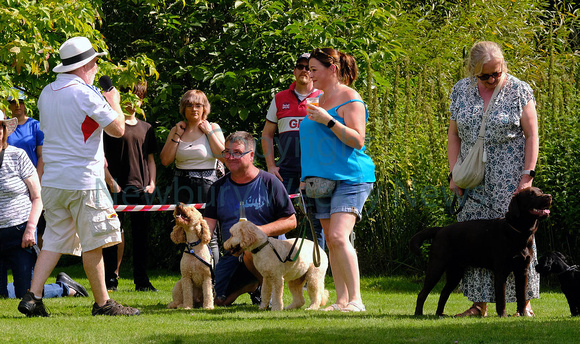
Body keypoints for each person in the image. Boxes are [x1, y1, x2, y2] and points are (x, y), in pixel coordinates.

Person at [18, 36, 140, 317]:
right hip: (84, 180)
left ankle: (33, 297)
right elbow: (118, 129)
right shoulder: (87, 93)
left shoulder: (47, 92)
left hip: (52, 180)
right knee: (94, 241)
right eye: (95, 61)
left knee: (53, 241)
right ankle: (103, 304)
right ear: (86, 64)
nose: (97, 65)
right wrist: (115, 103)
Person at [448, 41, 539, 317]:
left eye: (496, 73)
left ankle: (523, 304)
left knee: (516, 242)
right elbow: (453, 135)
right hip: (473, 179)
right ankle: (479, 305)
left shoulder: (519, 90)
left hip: (510, 179)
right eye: (484, 75)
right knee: (476, 240)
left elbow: (532, 135)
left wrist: (527, 177)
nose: (491, 79)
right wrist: (454, 174)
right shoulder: (461, 90)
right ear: (472, 71)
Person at [300, 48, 375, 312]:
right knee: (331, 241)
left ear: (332, 69)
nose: (309, 74)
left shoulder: (350, 97)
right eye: (308, 69)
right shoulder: (317, 99)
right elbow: (313, 144)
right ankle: (341, 301)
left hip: (351, 177)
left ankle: (356, 301)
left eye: (314, 69)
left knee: (339, 236)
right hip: (319, 181)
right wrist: (304, 178)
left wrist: (329, 120)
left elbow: (357, 139)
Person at [204, 131, 296, 306]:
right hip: (233, 254)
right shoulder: (217, 187)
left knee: (250, 250)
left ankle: (268, 295)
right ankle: (252, 286)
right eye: (227, 152)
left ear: (251, 155)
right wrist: (195, 244)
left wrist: (256, 233)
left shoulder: (271, 182)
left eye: (237, 153)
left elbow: (291, 221)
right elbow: (208, 225)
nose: (230, 157)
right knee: (218, 301)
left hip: (271, 252)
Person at [261, 53, 325, 249]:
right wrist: (271, 166)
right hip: (286, 171)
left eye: (309, 67)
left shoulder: (324, 96)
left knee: (316, 223)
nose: (304, 70)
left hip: (316, 170)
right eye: (300, 66)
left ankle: (316, 271)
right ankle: (279, 266)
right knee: (278, 218)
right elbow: (267, 134)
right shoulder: (280, 98)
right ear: (295, 71)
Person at [103, 81, 158, 292]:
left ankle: (142, 281)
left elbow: (150, 159)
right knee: (111, 236)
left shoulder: (147, 128)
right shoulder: (111, 127)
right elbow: (101, 158)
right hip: (116, 190)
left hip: (142, 191)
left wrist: (152, 184)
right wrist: (111, 183)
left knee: (141, 238)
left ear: (141, 101)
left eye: (137, 99)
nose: (132, 104)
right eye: (127, 99)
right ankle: (110, 280)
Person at [160, 90, 225, 267]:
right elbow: (165, 160)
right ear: (183, 108)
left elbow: (224, 155)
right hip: (182, 186)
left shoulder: (213, 127)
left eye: (198, 105)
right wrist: (176, 135)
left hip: (208, 185)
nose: (194, 109)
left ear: (205, 108)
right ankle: (191, 282)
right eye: (189, 105)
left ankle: (216, 281)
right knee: (185, 234)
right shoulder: (177, 129)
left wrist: (209, 132)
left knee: (208, 234)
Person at [6, 89, 47, 248]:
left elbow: (41, 155)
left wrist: (37, 178)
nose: (18, 106)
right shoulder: (6, 127)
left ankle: (35, 256)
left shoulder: (35, 125)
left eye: (21, 102)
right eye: (14, 102)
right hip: (10, 180)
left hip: (32, 177)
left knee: (35, 219)